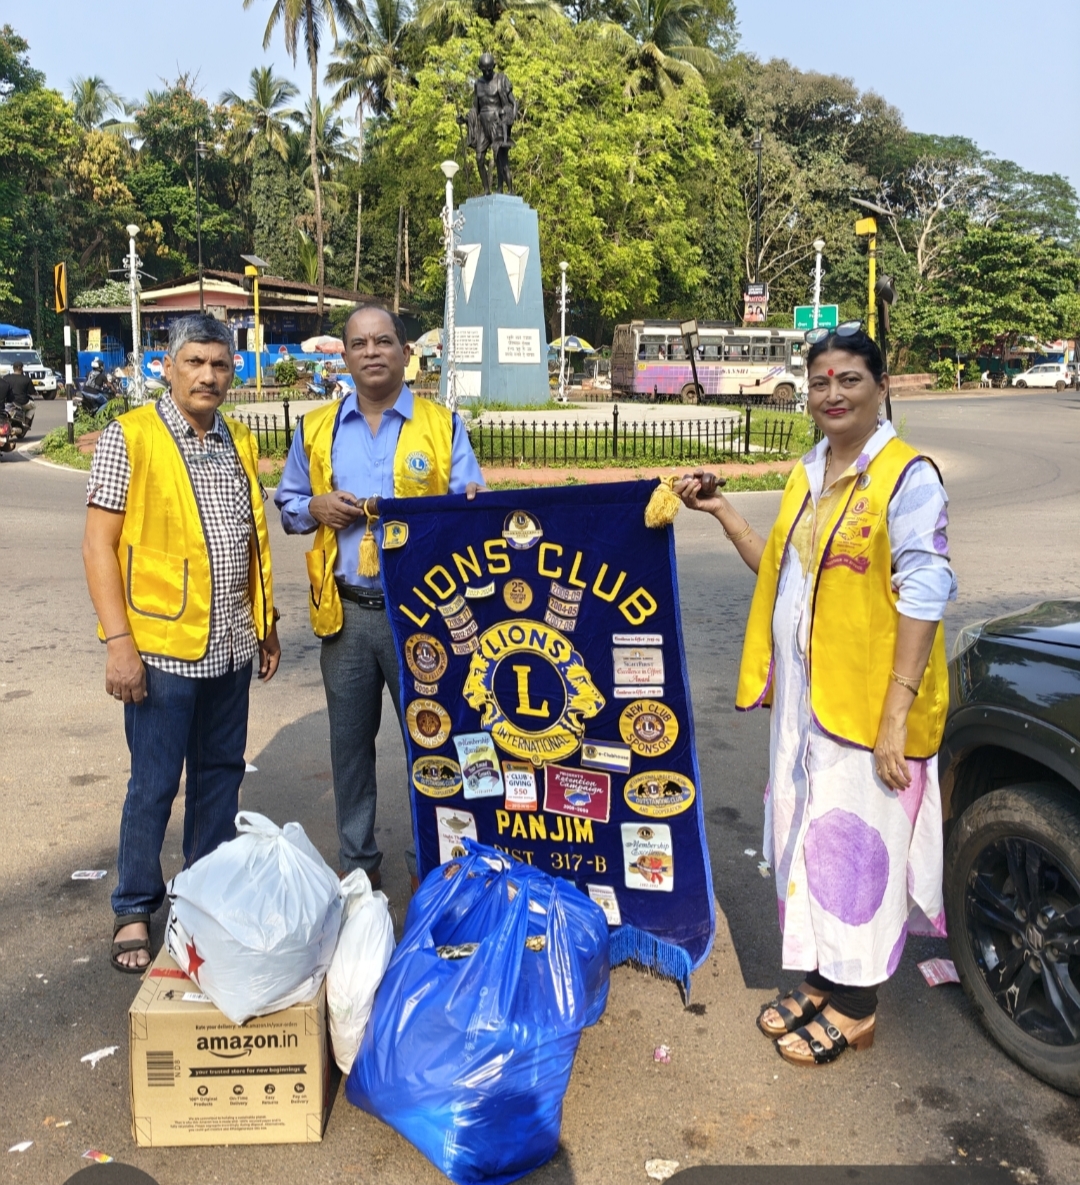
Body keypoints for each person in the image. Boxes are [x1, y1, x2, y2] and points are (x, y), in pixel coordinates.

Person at [676, 322, 955, 1066]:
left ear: (881, 386)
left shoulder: (906, 475)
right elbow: (782, 573)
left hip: (867, 710)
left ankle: (858, 1005)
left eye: (850, 379)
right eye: (822, 381)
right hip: (807, 703)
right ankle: (823, 978)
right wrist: (724, 510)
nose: (833, 393)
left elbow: (928, 592)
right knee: (807, 837)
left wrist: (895, 716)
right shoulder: (807, 474)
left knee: (858, 851)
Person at [82, 314, 281, 972]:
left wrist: (266, 622)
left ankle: (203, 895)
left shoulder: (237, 440)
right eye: (194, 361)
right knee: (155, 783)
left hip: (228, 645)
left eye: (220, 364)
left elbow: (251, 537)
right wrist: (119, 643)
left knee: (221, 776)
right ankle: (134, 904)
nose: (208, 375)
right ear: (167, 367)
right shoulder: (131, 437)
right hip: (161, 650)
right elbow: (99, 544)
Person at [276, 304, 484, 889]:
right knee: (350, 748)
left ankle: (438, 866)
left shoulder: (441, 426)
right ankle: (358, 866)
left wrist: (464, 508)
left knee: (435, 741)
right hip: (345, 615)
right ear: (344, 356)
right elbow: (290, 504)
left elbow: (475, 504)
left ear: (404, 354)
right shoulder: (315, 428)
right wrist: (314, 506)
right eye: (360, 343)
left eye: (384, 341)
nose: (372, 352)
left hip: (423, 618)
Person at [458, 52, 518, 195]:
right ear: (480, 68)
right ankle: (486, 189)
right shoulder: (478, 84)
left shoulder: (501, 80)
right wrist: (465, 119)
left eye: (489, 69)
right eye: (484, 69)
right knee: (479, 158)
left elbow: (513, 103)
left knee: (501, 159)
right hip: (483, 124)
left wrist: (510, 118)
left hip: (497, 122)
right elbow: (475, 108)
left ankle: (509, 190)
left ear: (493, 67)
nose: (487, 72)